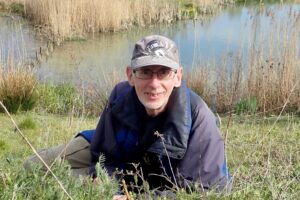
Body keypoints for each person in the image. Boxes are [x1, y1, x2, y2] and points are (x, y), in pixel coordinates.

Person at [24, 35, 231, 198]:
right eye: (145, 72)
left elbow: (206, 190)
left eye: (164, 73)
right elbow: (104, 152)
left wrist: (133, 196)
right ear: (130, 75)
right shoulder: (119, 96)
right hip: (110, 150)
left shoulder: (198, 117)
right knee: (32, 165)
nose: (154, 83)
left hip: (151, 181)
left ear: (178, 77)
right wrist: (112, 185)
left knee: (67, 182)